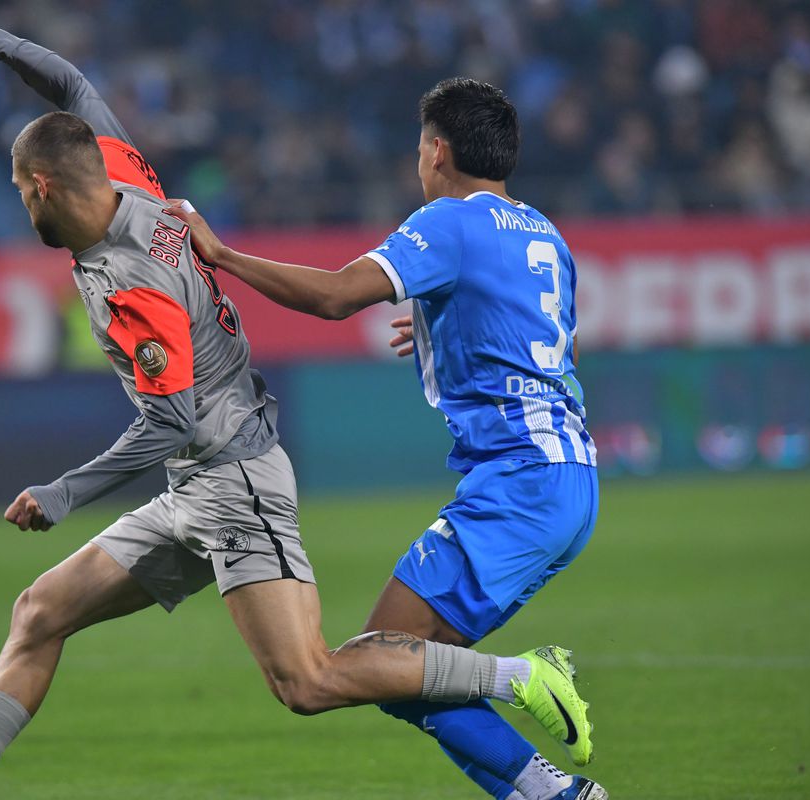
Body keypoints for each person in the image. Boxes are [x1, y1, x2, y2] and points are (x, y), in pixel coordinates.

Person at [0, 6, 593, 799]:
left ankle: (517, 674)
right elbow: (73, 83)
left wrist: (66, 491)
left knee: (311, 680)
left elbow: (176, 416)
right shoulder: (121, 172)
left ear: (46, 186)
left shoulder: (137, 283)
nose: (22, 205)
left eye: (23, 190)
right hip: (198, 483)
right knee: (39, 611)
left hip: (236, 483)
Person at [168, 77, 606, 800]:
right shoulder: (543, 233)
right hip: (570, 479)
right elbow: (562, 353)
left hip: (519, 483)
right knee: (407, 673)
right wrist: (446, 323)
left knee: (373, 658)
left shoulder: (448, 222)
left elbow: (338, 297)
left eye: (417, 148)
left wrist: (222, 256)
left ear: (436, 151)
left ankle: (530, 688)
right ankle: (552, 793)